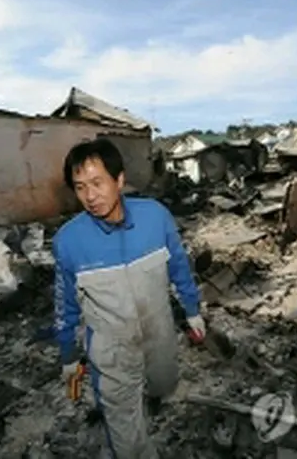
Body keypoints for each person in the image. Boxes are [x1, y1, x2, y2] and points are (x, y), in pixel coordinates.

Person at [53, 138, 206, 459]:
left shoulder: (155, 217)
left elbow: (178, 265)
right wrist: (68, 354)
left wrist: (192, 309)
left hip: (159, 332)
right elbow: (65, 304)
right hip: (111, 351)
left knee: (164, 385)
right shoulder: (69, 241)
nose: (90, 197)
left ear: (119, 179)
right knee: (126, 431)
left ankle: (153, 396)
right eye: (80, 187)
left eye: (97, 183)